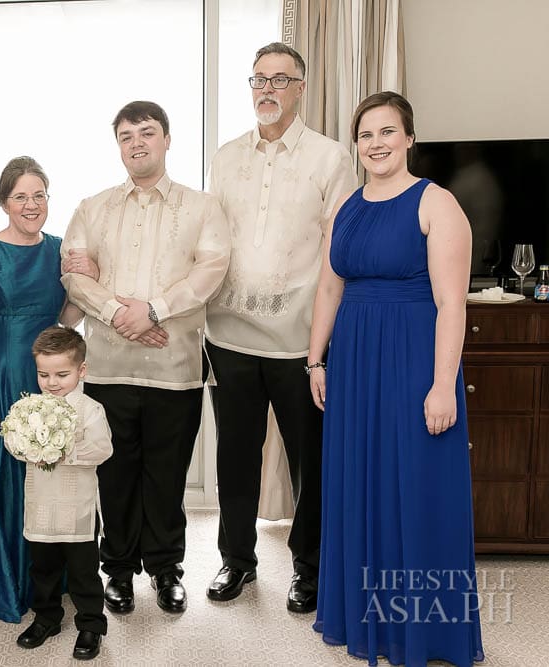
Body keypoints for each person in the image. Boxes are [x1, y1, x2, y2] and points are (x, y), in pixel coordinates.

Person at [309, 91, 484, 666]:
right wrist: (316, 360)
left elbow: (451, 305)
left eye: (388, 132)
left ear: (410, 138)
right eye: (365, 134)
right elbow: (331, 286)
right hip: (355, 364)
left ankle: (425, 632)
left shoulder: (437, 203)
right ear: (355, 145)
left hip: (414, 362)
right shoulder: (347, 207)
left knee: (417, 486)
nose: (376, 143)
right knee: (361, 482)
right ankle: (365, 620)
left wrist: (442, 384)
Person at [203, 42, 356, 612]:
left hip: (299, 338)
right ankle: (236, 561)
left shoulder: (330, 157)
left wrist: (323, 341)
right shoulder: (225, 156)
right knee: (234, 457)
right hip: (229, 334)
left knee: (307, 461)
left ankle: (308, 568)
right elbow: (212, 243)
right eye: (258, 79)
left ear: (300, 88)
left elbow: (336, 250)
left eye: (279, 79)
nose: (266, 89)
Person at [61, 101, 231, 614]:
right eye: (126, 135)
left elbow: (211, 270)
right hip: (109, 367)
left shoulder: (202, 208)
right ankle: (116, 570)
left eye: (147, 133)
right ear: (118, 146)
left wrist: (154, 310)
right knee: (115, 474)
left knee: (166, 476)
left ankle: (165, 569)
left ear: (167, 139)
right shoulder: (92, 207)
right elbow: (75, 274)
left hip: (174, 368)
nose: (137, 142)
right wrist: (118, 314)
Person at [0, 156, 83, 622]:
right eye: (20, 197)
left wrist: (84, 283)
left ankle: (48, 581)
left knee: (49, 480)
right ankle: (5, 578)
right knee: (2, 482)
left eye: (39, 195)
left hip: (47, 379)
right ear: (3, 202)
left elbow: (66, 317)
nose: (31, 205)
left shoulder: (58, 249)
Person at [11, 326, 112, 661]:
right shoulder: (30, 407)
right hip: (40, 505)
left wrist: (63, 451)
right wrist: (26, 446)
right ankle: (47, 617)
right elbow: (14, 441)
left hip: (78, 507)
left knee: (84, 571)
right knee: (43, 568)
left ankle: (91, 624)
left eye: (61, 374)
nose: (52, 383)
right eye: (44, 374)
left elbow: (102, 449)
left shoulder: (90, 409)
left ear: (81, 371)